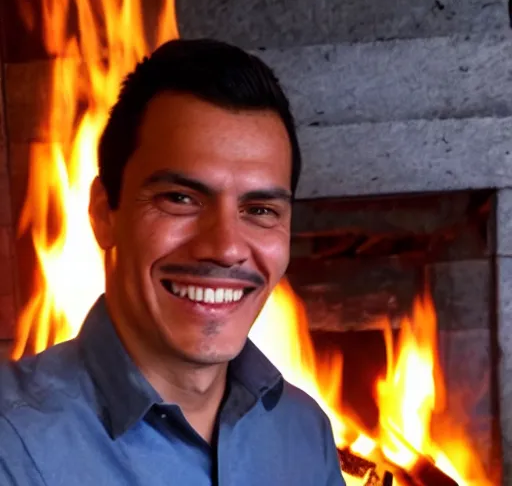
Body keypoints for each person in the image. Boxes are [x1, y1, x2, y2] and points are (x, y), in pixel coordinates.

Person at [0, 39, 346, 485]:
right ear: (105, 214)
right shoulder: (13, 445)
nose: (225, 247)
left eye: (260, 210)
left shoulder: (302, 432)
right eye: (180, 199)